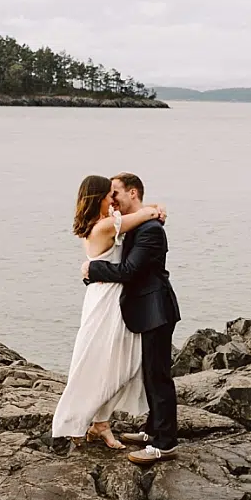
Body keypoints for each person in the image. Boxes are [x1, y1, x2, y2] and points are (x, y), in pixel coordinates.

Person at [52, 175, 166, 449]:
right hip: (107, 299)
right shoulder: (106, 226)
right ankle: (72, 423)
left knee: (118, 363)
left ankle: (100, 423)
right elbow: (142, 217)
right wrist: (155, 211)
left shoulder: (97, 223)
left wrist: (152, 209)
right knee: (105, 363)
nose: (112, 199)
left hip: (109, 295)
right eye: (109, 195)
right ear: (99, 198)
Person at [82, 172, 181, 465]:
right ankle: (153, 430)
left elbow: (128, 271)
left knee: (158, 375)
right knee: (149, 373)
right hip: (146, 309)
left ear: (133, 193)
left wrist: (92, 270)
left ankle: (165, 444)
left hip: (156, 309)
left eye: (117, 193)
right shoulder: (138, 223)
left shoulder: (151, 230)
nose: (112, 199)